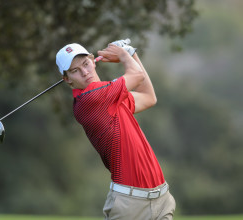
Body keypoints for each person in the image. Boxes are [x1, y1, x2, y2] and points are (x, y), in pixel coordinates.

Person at [56, 39, 176, 220]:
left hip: (161, 198)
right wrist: (123, 54)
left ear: (92, 60)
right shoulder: (91, 98)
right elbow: (136, 76)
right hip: (130, 204)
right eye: (75, 71)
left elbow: (148, 97)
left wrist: (131, 53)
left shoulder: (110, 96)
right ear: (67, 79)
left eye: (86, 64)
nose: (85, 72)